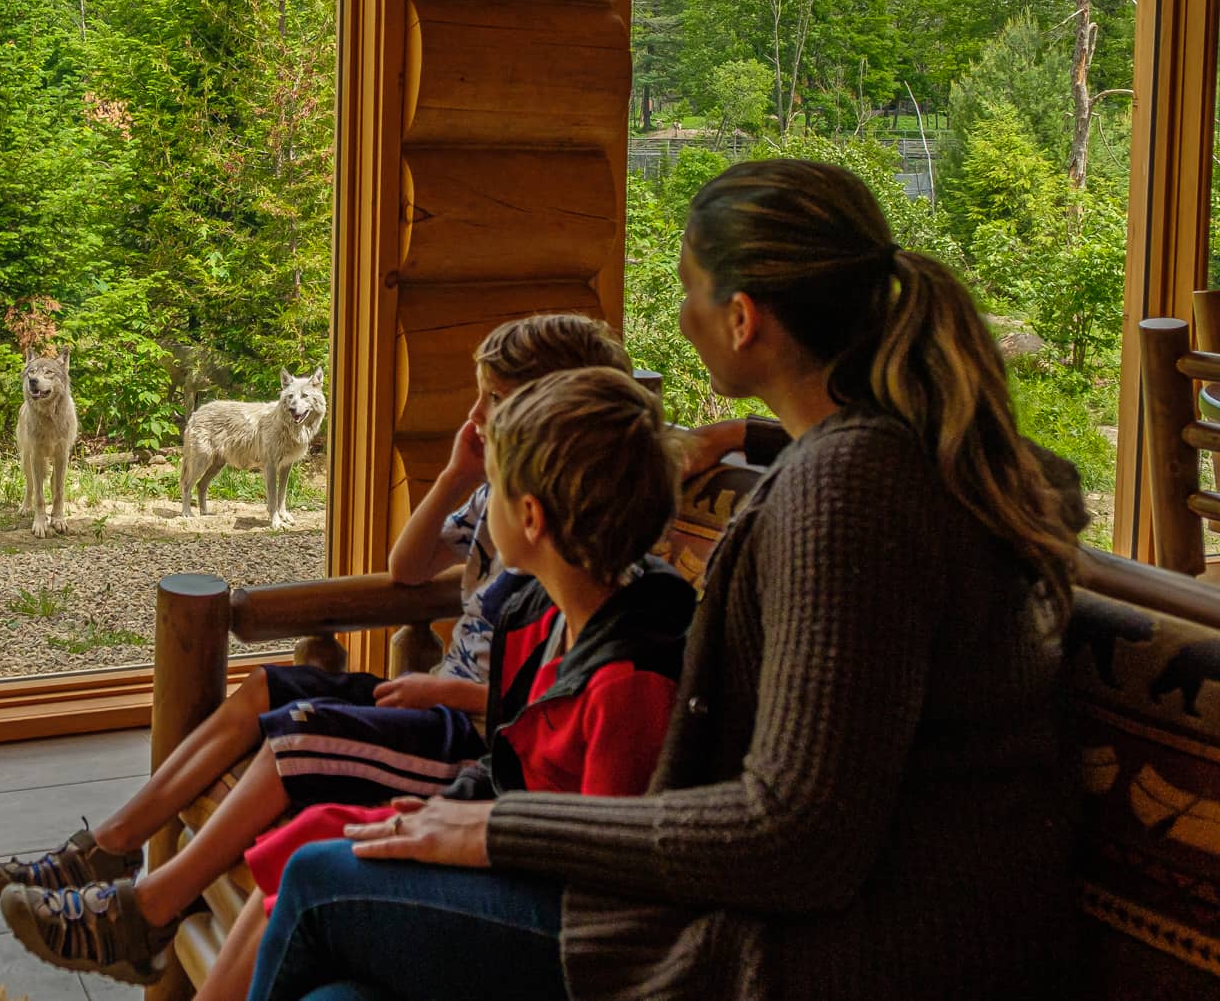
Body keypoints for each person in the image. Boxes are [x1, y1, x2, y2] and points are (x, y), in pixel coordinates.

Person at [249, 159, 1088, 1001]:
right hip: (773, 913)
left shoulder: (849, 491)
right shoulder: (889, 456)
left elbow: (794, 838)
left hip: (820, 953)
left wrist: (499, 828)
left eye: (689, 290)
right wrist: (755, 437)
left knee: (324, 881)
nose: (682, 319)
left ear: (742, 318)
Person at [0, 314, 630, 983]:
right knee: (262, 688)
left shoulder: (580, 544)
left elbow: (543, 711)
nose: (474, 414)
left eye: (492, 400)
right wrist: (459, 474)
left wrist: (449, 691)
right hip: (442, 706)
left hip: (465, 732)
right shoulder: (500, 499)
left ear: (548, 413)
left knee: (297, 739)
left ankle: (145, 910)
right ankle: (106, 849)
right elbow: (407, 569)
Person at [186, 366, 695, 1000]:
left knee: (317, 872)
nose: (483, 498)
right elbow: (511, 760)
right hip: (508, 852)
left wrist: (465, 839)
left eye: (496, 482)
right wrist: (451, 804)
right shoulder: (540, 618)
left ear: (530, 516)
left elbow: (604, 870)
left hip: (570, 937)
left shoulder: (629, 680)